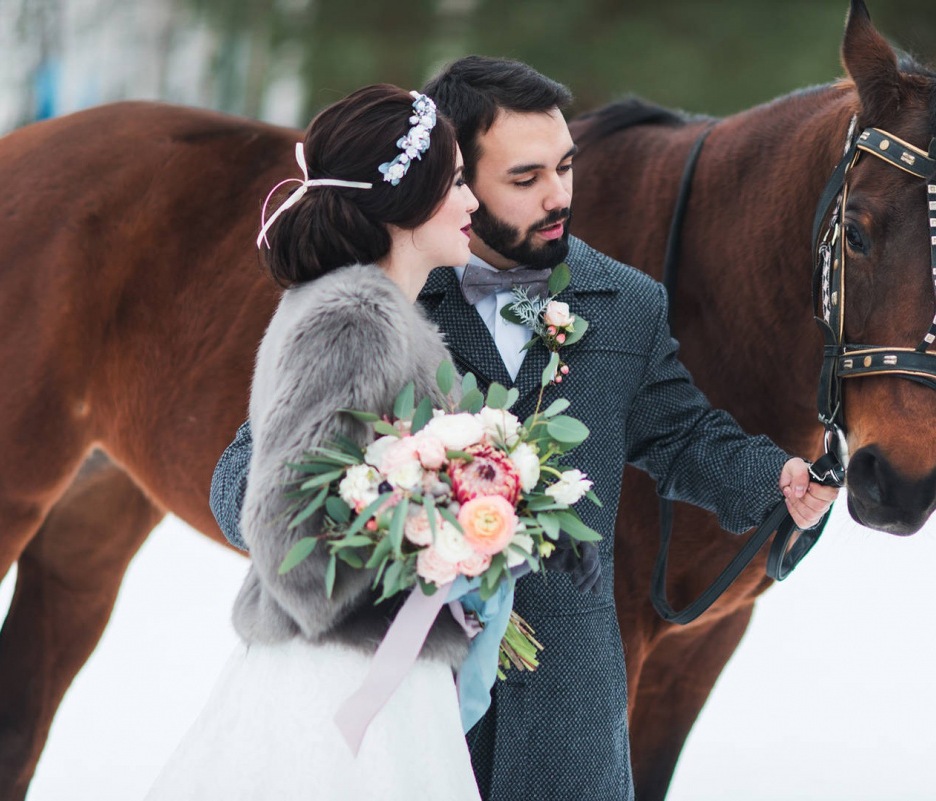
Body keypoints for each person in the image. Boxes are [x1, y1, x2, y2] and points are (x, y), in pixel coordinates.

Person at [210, 58, 839, 800]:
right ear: (455, 179)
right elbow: (242, 481)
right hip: (411, 707)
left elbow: (680, 432)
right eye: (525, 177)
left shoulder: (626, 302)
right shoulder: (382, 300)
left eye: (566, 167)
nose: (559, 196)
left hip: (570, 721)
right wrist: (399, 518)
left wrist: (773, 477)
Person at [147, 84, 483, 799]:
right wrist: (426, 547)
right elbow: (279, 522)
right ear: (410, 198)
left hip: (377, 665)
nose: (472, 202)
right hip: (337, 672)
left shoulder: (371, 309)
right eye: (456, 181)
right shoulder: (354, 318)